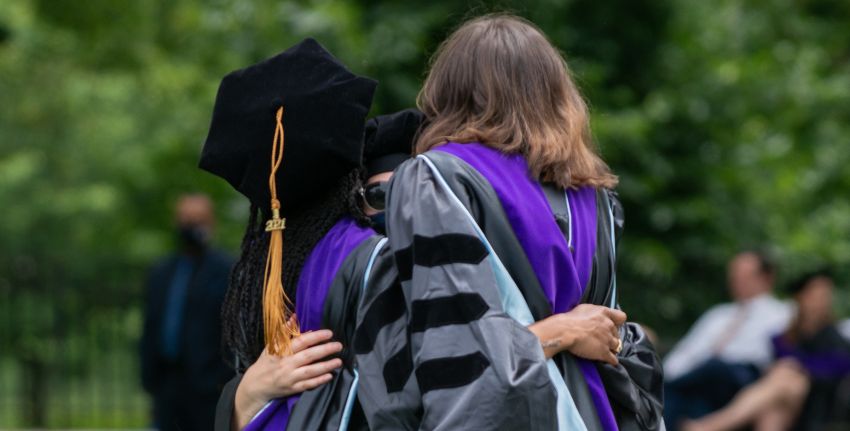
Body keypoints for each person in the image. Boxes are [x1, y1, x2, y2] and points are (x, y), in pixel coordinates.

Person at [354, 14, 663, 430]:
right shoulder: (597, 198)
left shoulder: (437, 179)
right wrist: (566, 331)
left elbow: (458, 351)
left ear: (449, 90)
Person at [682, 270, 850, 431]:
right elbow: (775, 357)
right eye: (814, 295)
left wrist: (799, 366)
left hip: (816, 400)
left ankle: (708, 426)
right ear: (801, 296)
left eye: (824, 296)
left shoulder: (833, 336)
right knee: (775, 406)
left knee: (788, 381)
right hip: (779, 398)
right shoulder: (787, 334)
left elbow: (839, 365)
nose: (820, 301)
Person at [663, 251, 793, 429]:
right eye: (734, 274)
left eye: (745, 275)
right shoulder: (717, 314)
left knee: (714, 370)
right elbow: (687, 350)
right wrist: (666, 376)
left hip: (744, 376)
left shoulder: (783, 314)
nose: (737, 280)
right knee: (674, 394)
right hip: (701, 377)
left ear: (767, 278)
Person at [140, 193, 234, 431]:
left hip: (209, 387)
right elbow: (151, 326)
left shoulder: (226, 270)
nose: (191, 228)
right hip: (168, 385)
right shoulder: (162, 272)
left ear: (211, 223)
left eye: (198, 220)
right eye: (186, 220)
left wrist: (222, 379)